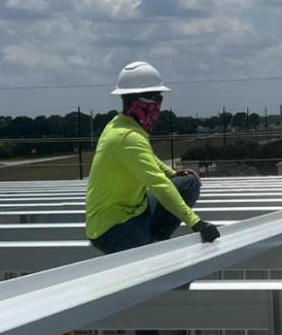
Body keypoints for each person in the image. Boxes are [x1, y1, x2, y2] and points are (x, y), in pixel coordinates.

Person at [86, 61, 221, 255]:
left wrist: (172, 173)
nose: (158, 105)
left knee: (188, 183)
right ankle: (148, 245)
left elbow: (149, 158)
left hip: (134, 210)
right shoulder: (127, 136)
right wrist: (196, 223)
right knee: (150, 266)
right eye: (155, 99)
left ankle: (154, 237)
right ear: (139, 101)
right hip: (113, 226)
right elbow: (159, 185)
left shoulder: (125, 125)